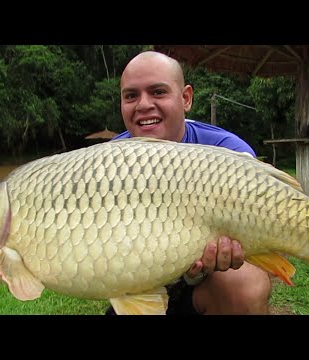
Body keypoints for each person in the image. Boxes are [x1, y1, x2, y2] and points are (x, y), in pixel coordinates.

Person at [107, 51, 271, 315]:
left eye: (158, 92)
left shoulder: (228, 151)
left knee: (245, 285)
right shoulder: (109, 162)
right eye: (131, 96)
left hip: (210, 288)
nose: (143, 104)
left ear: (186, 98)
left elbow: (263, 246)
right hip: (140, 290)